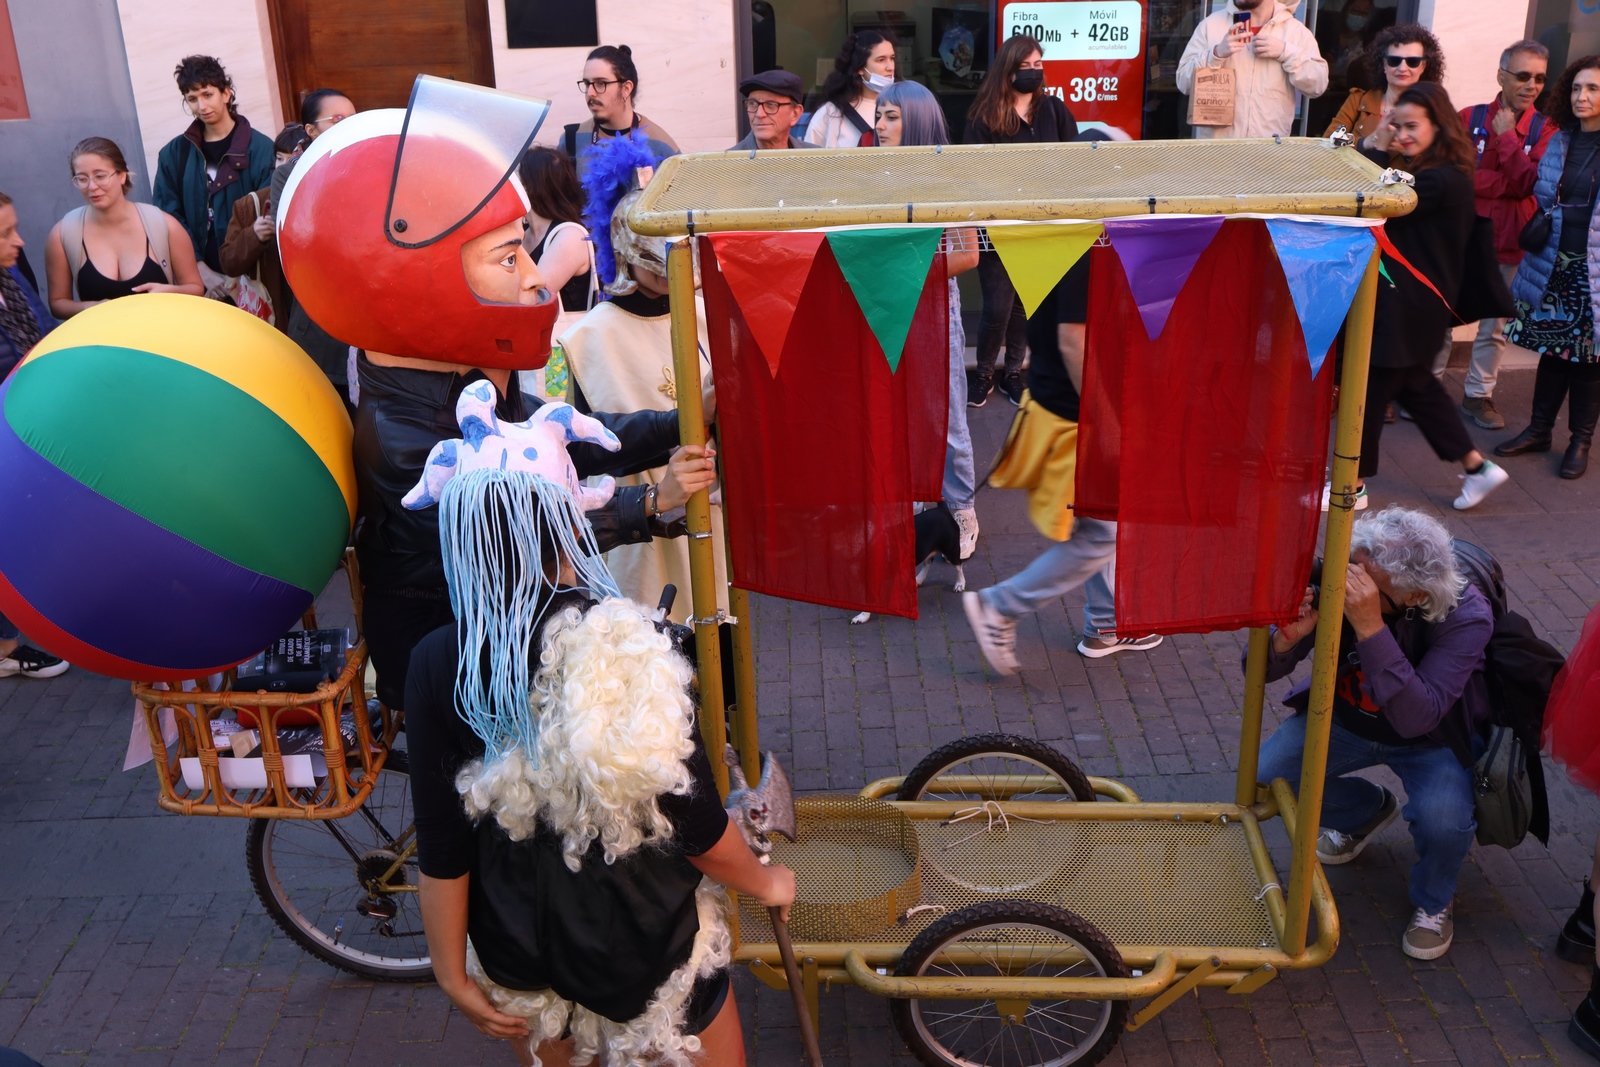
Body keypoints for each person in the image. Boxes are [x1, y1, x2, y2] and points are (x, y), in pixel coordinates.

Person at [276, 81, 713, 712]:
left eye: (524, 251)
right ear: (413, 282)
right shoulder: (405, 433)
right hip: (460, 666)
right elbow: (512, 537)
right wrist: (648, 502)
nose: (536, 279)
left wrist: (683, 420)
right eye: (510, 260)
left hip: (510, 631)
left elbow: (567, 438)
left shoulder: (462, 382)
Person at [405, 405, 794, 1067]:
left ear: (464, 533)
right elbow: (699, 829)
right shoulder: (629, 646)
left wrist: (450, 973)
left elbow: (442, 847)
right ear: (568, 519)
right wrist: (767, 882)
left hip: (518, 953)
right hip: (646, 946)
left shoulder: (442, 660)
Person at [1254, 507, 1493, 961]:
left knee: (1444, 822)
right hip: (1345, 720)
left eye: (1367, 582)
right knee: (1266, 777)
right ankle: (1365, 811)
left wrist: (1369, 626)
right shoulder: (1344, 583)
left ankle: (1434, 902)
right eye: (1351, 568)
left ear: (1413, 595)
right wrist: (1284, 641)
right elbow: (1257, 671)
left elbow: (1417, 717)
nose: (1349, 584)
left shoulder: (1467, 616)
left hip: (1431, 740)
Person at [963, 271, 1162, 674]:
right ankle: (999, 606)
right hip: (1073, 419)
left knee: (1105, 517)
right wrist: (1105, 419)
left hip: (1069, 411)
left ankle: (1106, 622)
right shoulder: (1089, 253)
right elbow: (1073, 336)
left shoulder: (1082, 248)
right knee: (1100, 532)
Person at [562, 132, 726, 624]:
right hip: (632, 532)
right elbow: (577, 453)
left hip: (710, 515)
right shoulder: (581, 340)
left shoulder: (706, 316)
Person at [1335, 82, 1510, 512]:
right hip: (1418, 305)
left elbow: (1370, 203)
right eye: (1398, 126)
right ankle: (1477, 468)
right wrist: (1379, 144)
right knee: (1417, 388)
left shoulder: (1436, 181)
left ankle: (1353, 484)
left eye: (1411, 126)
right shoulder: (1441, 173)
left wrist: (1375, 146)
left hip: (1407, 306)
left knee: (1369, 391)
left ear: (1438, 126)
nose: (1402, 134)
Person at [874, 80, 981, 558]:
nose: (880, 126)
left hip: (935, 308)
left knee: (947, 411)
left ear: (917, 120)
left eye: (891, 117)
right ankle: (916, 503)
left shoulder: (947, 178)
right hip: (885, 307)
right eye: (878, 116)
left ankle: (961, 508)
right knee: (897, 411)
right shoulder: (873, 176)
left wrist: (904, 272)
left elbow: (969, 254)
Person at [1497, 54, 1600, 481]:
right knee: (1553, 352)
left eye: (1592, 88)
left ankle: (1580, 441)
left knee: (1589, 361)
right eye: (1576, 88)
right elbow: (1540, 195)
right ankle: (1539, 431)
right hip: (1555, 262)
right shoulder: (1561, 141)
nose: (1581, 96)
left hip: (1593, 271)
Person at [963, 33, 1080, 409]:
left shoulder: (1054, 109)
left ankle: (1013, 372)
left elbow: (1075, 159)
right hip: (998, 227)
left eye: (1038, 65)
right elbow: (973, 174)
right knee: (997, 307)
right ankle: (984, 372)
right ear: (1007, 70)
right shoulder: (984, 116)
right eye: (1025, 66)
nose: (1033, 71)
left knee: (1025, 304)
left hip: (1042, 226)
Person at [1448, 40, 1557, 432]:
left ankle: (1478, 396)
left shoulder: (1548, 130)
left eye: (1539, 79)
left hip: (1511, 242)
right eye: (1523, 76)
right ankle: (1423, 389)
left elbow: (1530, 183)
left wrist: (1508, 138)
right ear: (1501, 76)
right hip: (1462, 237)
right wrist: (1505, 181)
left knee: (1493, 329)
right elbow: (1452, 174)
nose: (1531, 86)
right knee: (1442, 316)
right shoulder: (1468, 117)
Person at [0, 191, 70, 680]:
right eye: (5, 233)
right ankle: (6, 647)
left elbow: (44, 336)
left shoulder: (11, 280)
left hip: (28, 427)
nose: (19, 241)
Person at [43, 137, 203, 318]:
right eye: (82, 179)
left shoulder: (164, 225)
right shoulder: (63, 233)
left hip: (161, 332)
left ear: (122, 175)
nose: (92, 186)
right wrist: (90, 307)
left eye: (100, 176)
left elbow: (196, 288)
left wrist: (169, 293)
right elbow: (58, 303)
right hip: (102, 335)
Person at [151, 55, 274, 289]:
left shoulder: (261, 149)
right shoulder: (174, 154)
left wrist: (240, 273)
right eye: (192, 99)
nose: (202, 106)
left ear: (226, 93)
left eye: (207, 95)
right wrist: (198, 268)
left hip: (254, 278)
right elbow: (167, 217)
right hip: (198, 280)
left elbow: (267, 214)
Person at [271, 88, 358, 400]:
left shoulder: (369, 169)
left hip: (368, 319)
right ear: (310, 130)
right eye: (338, 119)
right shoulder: (288, 176)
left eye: (354, 118)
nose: (350, 125)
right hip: (319, 320)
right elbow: (296, 241)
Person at [1177, 0, 1328, 140]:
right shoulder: (1211, 26)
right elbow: (1183, 83)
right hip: (1218, 153)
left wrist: (1286, 52)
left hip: (1268, 152)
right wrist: (1215, 54)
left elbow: (1317, 86)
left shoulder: (1295, 32)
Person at [218, 123, 308, 336]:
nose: (284, 166)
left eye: (293, 159)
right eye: (279, 158)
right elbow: (228, 263)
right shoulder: (251, 205)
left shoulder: (320, 197)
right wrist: (254, 236)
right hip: (275, 322)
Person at [562, 44, 679, 178]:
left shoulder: (661, 146)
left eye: (601, 83)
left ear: (626, 89)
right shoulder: (571, 141)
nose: (590, 92)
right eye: (587, 83)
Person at [1322, 23, 1445, 145]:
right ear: (1384, 65)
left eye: (1412, 61)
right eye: (1394, 61)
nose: (1402, 68)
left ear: (1423, 66)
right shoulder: (1358, 100)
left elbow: (1441, 154)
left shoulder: (1434, 110)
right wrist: (1365, 143)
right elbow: (1329, 142)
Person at [518, 147, 592, 317]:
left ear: (530, 186)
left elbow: (534, 298)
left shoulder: (570, 236)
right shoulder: (524, 232)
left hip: (564, 332)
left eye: (518, 179)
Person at [803, 30, 896, 148]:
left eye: (892, 58)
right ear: (860, 68)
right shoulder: (831, 112)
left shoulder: (903, 106)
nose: (890, 67)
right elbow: (809, 157)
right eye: (881, 60)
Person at [731, 70, 815, 151]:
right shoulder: (730, 160)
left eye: (770, 105)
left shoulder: (815, 157)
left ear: (795, 114)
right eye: (752, 104)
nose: (759, 114)